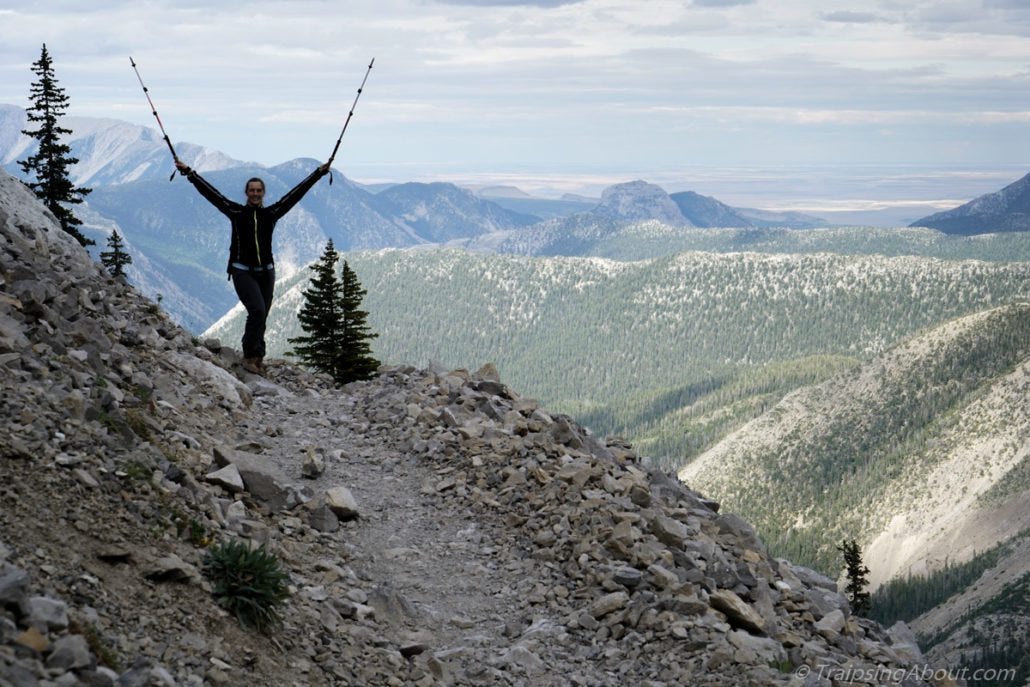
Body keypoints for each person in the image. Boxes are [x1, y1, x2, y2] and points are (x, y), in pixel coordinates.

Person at [175, 159, 330, 374]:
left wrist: (318, 173)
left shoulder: (271, 214)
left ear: (263, 193)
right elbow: (212, 194)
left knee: (262, 314)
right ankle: (249, 357)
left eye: (258, 191)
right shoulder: (236, 212)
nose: (255, 194)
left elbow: (295, 194)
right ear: (246, 193)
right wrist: (190, 174)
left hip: (266, 271)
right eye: (252, 191)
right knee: (256, 310)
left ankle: (258, 357)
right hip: (241, 270)